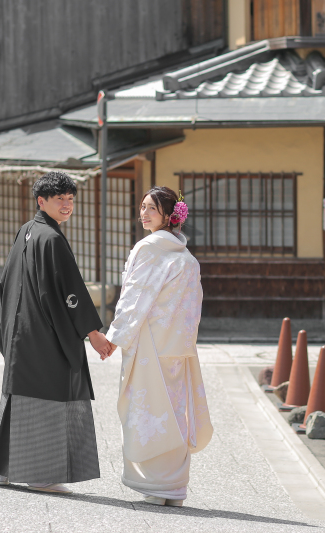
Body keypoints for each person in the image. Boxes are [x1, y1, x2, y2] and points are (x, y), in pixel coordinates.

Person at [0, 171, 113, 494]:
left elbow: (5, 285)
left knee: (18, 397)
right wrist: (93, 333)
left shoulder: (26, 232)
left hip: (20, 331)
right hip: (43, 333)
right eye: (61, 200)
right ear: (41, 201)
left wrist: (6, 330)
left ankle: (3, 470)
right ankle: (41, 474)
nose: (67, 205)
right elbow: (69, 292)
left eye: (71, 199)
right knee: (48, 394)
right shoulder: (52, 238)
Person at [105, 186, 213, 507]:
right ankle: (174, 486)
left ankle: (157, 485)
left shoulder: (149, 248)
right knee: (174, 410)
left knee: (150, 410)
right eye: (142, 207)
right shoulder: (186, 257)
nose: (144, 213)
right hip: (176, 346)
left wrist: (116, 336)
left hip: (151, 344)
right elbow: (194, 309)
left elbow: (135, 296)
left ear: (169, 215)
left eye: (151, 208)